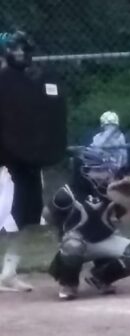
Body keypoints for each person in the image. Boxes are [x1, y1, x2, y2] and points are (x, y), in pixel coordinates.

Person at [0, 30, 67, 292]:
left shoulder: (33, 82)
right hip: (5, 164)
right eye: (13, 48)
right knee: (5, 215)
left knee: (25, 217)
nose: (19, 53)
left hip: (27, 163)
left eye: (22, 48)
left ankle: (8, 272)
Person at [44, 148, 130, 300]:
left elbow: (124, 220)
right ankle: (69, 284)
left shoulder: (113, 191)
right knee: (72, 245)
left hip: (103, 239)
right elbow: (48, 215)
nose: (105, 174)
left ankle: (100, 278)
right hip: (76, 241)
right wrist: (62, 236)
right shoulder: (66, 194)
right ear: (83, 172)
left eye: (105, 169)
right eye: (98, 170)